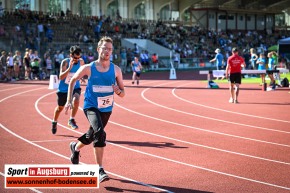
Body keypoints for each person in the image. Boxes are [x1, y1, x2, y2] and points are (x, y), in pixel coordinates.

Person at [64, 36, 125, 183]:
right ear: (98, 49)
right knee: (99, 132)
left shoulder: (116, 70)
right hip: (91, 105)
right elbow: (73, 80)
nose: (107, 51)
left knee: (92, 134)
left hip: (107, 108)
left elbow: (123, 94)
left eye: (110, 49)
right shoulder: (88, 68)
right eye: (105, 48)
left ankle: (75, 147)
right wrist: (68, 100)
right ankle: (99, 169)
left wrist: (117, 91)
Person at [51, 45, 84, 134]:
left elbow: (81, 72)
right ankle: (54, 121)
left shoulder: (81, 62)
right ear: (70, 55)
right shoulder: (65, 62)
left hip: (75, 87)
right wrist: (69, 68)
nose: (77, 60)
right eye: (75, 58)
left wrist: (81, 78)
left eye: (78, 57)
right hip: (63, 89)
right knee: (60, 108)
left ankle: (71, 119)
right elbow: (61, 77)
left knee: (76, 99)